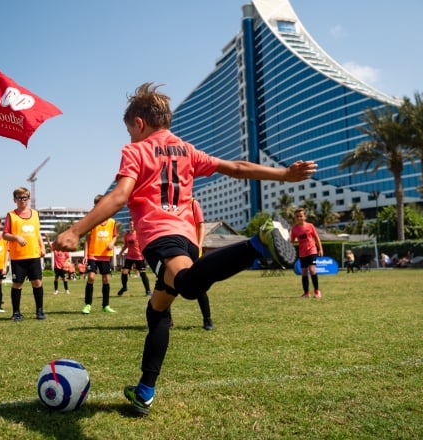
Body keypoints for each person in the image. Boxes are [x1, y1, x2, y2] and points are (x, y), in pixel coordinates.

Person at [52, 82, 316, 415]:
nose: (131, 136)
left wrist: (76, 230)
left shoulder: (136, 150)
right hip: (187, 239)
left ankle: (256, 244)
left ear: (139, 123)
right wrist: (283, 174)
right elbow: (235, 167)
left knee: (189, 286)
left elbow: (119, 196)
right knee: (157, 309)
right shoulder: (186, 149)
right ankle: (144, 390)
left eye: (131, 130)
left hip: (162, 237)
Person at [2, 187, 47, 321]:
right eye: (19, 198)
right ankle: (16, 313)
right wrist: (15, 237)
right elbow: (4, 235)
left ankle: (40, 311)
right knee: (17, 284)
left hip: (33, 255)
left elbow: (37, 233)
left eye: (25, 198)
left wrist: (42, 246)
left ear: (29, 199)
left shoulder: (35, 213)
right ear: (14, 200)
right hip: (18, 257)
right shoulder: (11, 215)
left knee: (37, 282)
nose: (22, 200)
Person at [81, 194, 118, 314]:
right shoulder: (92, 221)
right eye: (97, 204)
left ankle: (106, 305)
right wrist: (85, 255)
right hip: (93, 254)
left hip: (105, 256)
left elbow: (115, 236)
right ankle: (87, 305)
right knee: (91, 277)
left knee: (106, 279)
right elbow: (87, 239)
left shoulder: (112, 222)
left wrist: (112, 243)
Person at [191, 198, 214, 330]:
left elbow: (200, 225)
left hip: (192, 249)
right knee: (169, 283)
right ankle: (167, 320)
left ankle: (207, 319)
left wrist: (198, 246)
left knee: (199, 286)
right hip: (176, 248)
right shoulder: (168, 205)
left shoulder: (192, 203)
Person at [290, 208, 323, 297]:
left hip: (312, 251)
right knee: (304, 272)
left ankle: (317, 291)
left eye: (301, 216)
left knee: (312, 270)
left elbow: (316, 238)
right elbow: (292, 241)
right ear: (295, 218)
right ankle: (306, 293)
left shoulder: (310, 226)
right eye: (297, 216)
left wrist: (320, 249)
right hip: (302, 253)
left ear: (305, 217)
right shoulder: (294, 229)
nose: (299, 218)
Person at [117, 219, 152, 297]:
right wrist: (120, 253)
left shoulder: (139, 234)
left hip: (139, 257)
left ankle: (148, 291)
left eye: (133, 224)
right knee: (124, 272)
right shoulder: (126, 235)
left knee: (143, 274)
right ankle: (124, 287)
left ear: (135, 225)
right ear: (129, 225)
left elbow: (143, 245)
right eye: (130, 224)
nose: (131, 226)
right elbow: (126, 245)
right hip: (129, 256)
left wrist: (146, 255)